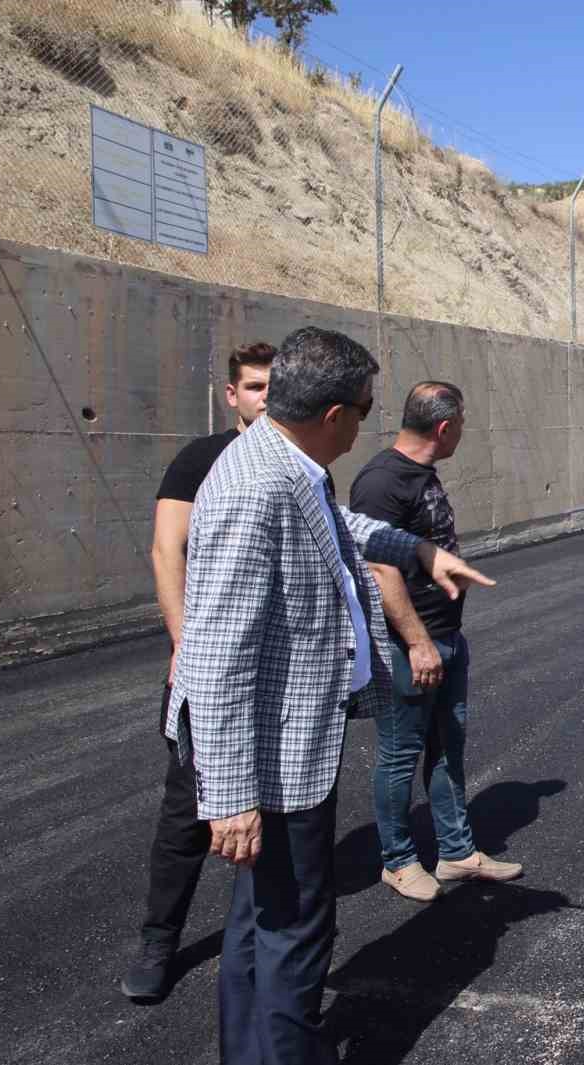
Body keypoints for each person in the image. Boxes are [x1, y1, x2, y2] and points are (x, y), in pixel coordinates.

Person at [165, 327, 495, 1064]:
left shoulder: (284, 462)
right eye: (367, 408)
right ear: (336, 414)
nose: (368, 423)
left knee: (262, 920)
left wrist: (417, 548)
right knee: (296, 927)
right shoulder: (258, 485)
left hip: (284, 744)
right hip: (268, 760)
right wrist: (231, 796)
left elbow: (337, 525)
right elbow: (214, 656)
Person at [123, 341, 275, 1003]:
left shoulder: (294, 464)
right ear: (232, 395)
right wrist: (188, 648)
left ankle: (258, 949)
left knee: (277, 815)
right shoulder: (200, 461)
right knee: (186, 814)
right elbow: (166, 552)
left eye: (275, 386)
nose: (265, 397)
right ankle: (160, 942)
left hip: (274, 679)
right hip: (206, 676)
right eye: (255, 387)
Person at [349, 381, 523, 902]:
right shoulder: (381, 481)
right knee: (400, 753)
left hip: (446, 637)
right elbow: (380, 570)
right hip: (411, 645)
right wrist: (418, 642)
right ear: (444, 428)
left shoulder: (420, 474)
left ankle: (456, 853)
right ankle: (398, 861)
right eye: (462, 424)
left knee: (449, 747)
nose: (462, 433)